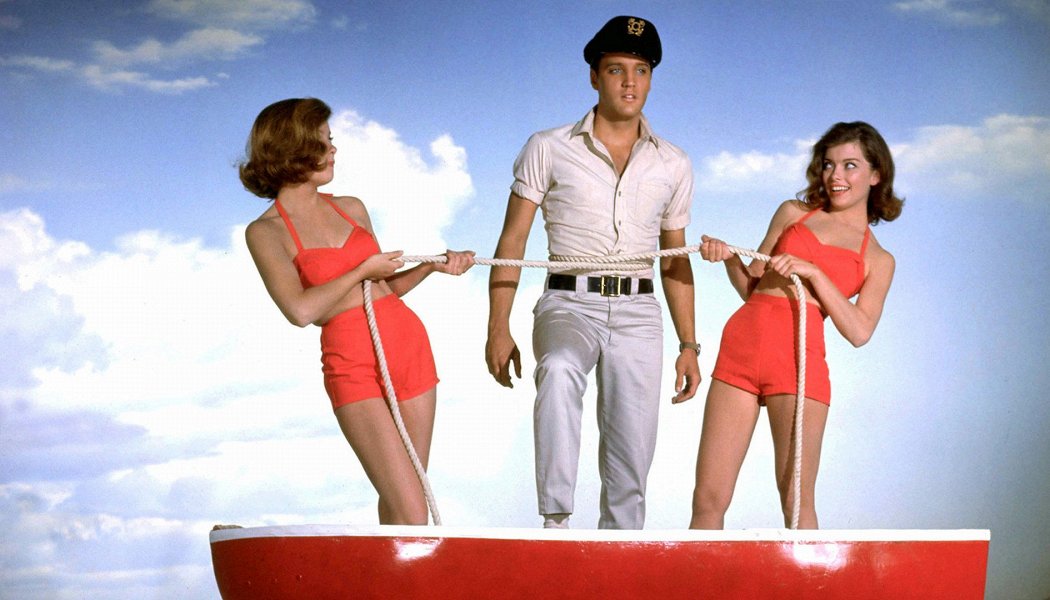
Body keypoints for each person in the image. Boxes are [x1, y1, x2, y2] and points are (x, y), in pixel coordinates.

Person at [485, 16, 700, 530]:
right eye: (616, 69)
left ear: (651, 79)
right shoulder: (547, 146)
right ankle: (555, 523)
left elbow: (675, 258)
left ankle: (620, 549)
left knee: (632, 448)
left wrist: (689, 344)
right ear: (594, 77)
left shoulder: (674, 163)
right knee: (559, 368)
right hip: (567, 302)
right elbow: (512, 241)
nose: (629, 82)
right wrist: (498, 327)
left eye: (641, 70)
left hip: (639, 310)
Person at [239, 98, 474, 525]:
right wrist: (362, 269)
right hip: (350, 361)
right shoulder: (265, 231)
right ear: (291, 147)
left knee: (406, 496)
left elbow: (382, 289)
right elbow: (300, 311)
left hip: (406, 343)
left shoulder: (350, 207)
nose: (333, 149)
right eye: (323, 142)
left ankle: (388, 569)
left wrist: (432, 266)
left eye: (331, 140)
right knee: (411, 507)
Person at [689, 121, 904, 529]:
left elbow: (859, 331)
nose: (836, 175)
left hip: (799, 362)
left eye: (850, 165)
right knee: (707, 500)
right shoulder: (793, 214)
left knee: (796, 502)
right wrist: (729, 259)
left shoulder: (878, 259)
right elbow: (752, 288)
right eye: (829, 164)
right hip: (741, 346)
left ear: (876, 175)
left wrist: (815, 274)